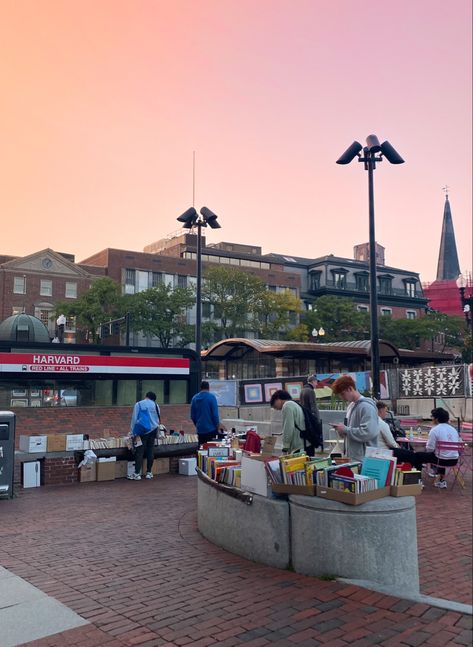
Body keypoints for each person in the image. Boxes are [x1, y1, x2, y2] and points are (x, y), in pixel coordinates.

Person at [393, 407, 460, 489]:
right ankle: (441, 481)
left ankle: (418, 481)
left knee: (417, 456)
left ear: (437, 418)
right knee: (440, 453)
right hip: (454, 460)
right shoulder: (453, 429)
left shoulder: (435, 430)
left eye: (433, 417)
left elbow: (429, 449)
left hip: (441, 460)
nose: (432, 419)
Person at [331, 375, 379, 462]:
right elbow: (350, 430)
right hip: (354, 457)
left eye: (342, 394)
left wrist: (345, 430)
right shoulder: (351, 406)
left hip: (364, 459)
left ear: (350, 389)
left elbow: (368, 433)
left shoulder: (366, 407)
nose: (342, 398)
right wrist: (342, 431)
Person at [128, 391, 160, 480]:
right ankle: (149, 472)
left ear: (146, 396)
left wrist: (132, 432)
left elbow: (134, 419)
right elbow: (158, 419)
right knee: (150, 451)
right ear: (153, 398)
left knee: (139, 451)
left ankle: (137, 473)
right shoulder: (156, 405)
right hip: (153, 430)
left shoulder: (139, 404)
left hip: (142, 431)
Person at [270, 389, 305, 454]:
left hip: (297, 446)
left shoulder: (287, 406)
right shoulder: (293, 404)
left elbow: (288, 427)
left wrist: (285, 447)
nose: (276, 409)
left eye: (274, 405)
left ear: (278, 399)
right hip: (303, 443)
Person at [191, 381, 220, 445]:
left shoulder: (194, 398)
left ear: (200, 388)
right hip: (211, 430)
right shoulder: (211, 397)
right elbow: (215, 415)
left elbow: (192, 416)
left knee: (201, 449)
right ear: (208, 388)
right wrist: (217, 426)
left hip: (200, 430)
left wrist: (198, 425)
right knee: (211, 450)